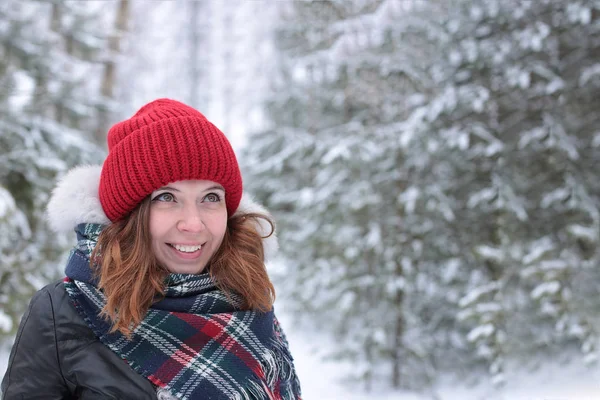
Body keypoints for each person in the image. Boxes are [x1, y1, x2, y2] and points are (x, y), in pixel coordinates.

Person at [1, 99, 302, 400]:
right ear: (131, 214)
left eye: (211, 197)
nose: (193, 224)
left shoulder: (246, 294)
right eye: (167, 198)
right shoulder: (61, 312)